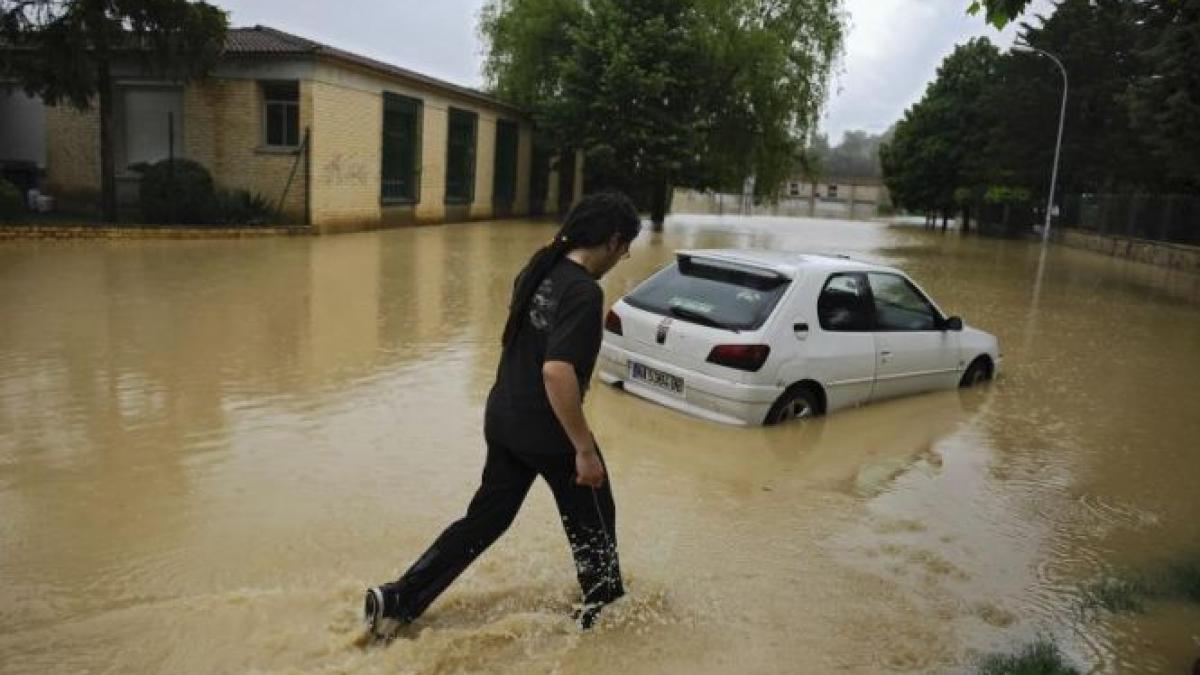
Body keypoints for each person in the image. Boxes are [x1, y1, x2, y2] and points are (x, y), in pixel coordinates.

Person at [363, 191, 642, 639]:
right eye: (626, 244)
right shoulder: (585, 293)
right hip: (547, 430)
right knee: (594, 518)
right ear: (611, 240)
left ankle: (399, 598)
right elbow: (557, 372)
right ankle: (604, 619)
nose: (626, 254)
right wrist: (584, 450)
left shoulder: (540, 265)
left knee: (486, 519)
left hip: (504, 415)